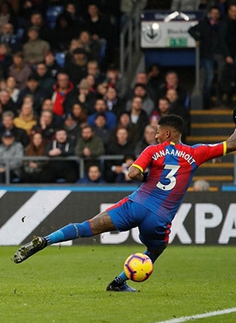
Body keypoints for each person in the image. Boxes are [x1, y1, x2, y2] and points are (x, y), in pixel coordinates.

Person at [13, 113, 236, 292]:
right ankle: (118, 282)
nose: (156, 136)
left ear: (167, 132)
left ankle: (45, 240)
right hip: (159, 218)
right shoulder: (197, 152)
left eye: (158, 132)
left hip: (135, 205)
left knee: (87, 227)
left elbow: (132, 173)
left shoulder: (152, 150)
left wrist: (144, 176)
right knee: (156, 249)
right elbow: (231, 144)